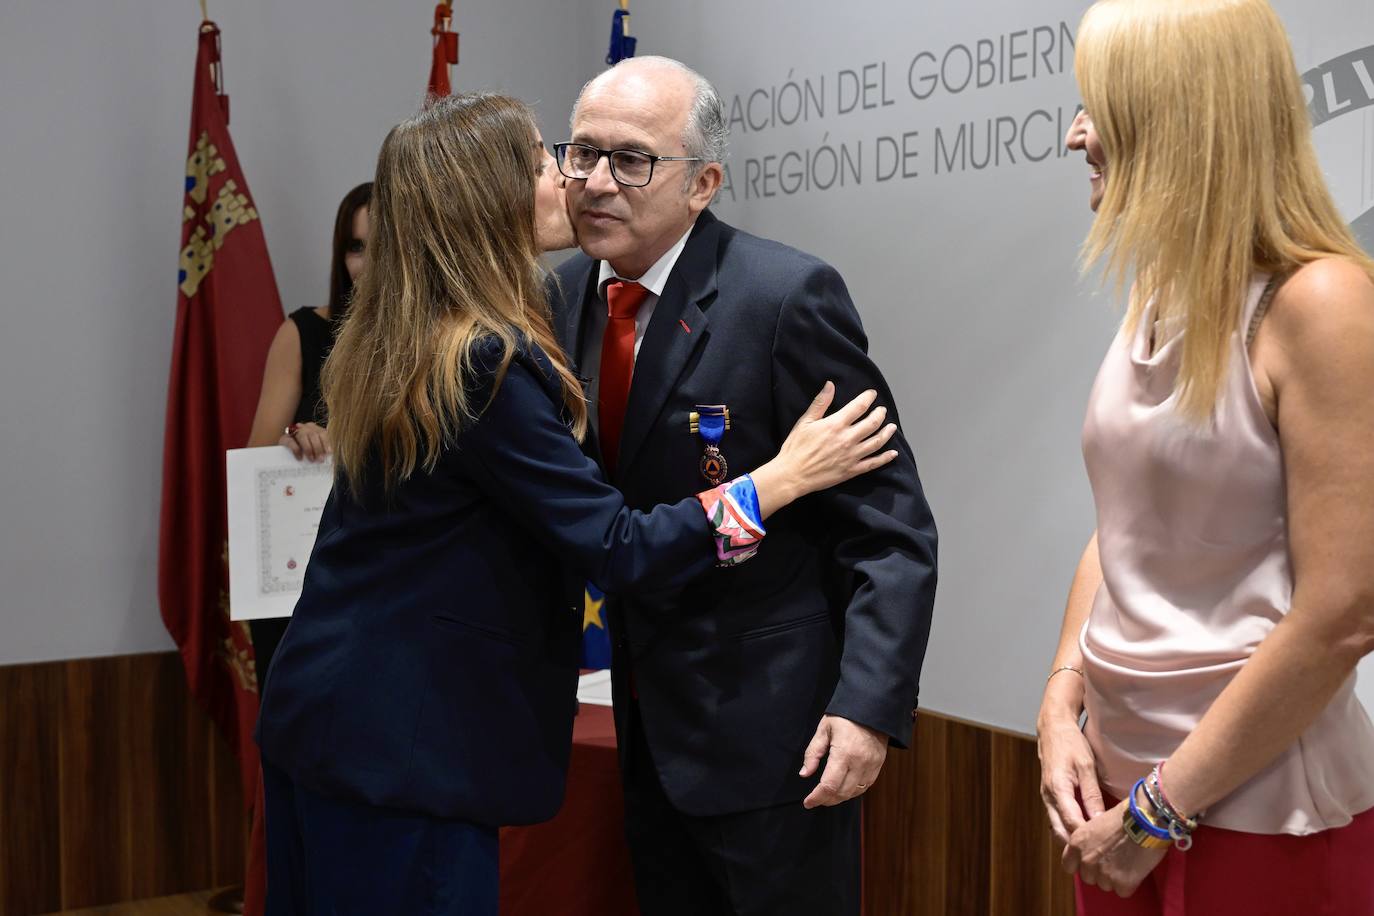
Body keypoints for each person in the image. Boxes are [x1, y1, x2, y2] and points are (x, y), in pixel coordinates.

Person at [254, 92, 898, 916]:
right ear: (489, 198)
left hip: (331, 721)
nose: (574, 178)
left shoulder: (406, 335)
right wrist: (781, 478)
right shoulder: (479, 358)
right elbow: (617, 546)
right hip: (404, 751)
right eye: (545, 161)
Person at [551, 56, 938, 916]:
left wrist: (867, 708)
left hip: (776, 737)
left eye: (632, 159)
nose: (597, 181)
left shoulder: (783, 296)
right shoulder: (560, 295)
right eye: (582, 153)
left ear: (703, 183)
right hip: (639, 725)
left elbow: (890, 528)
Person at [1037, 2, 1374, 913]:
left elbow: (1345, 613)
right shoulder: (1161, 292)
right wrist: (1060, 700)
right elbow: (1123, 531)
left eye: (1099, 106)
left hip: (1254, 818)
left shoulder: (1321, 303)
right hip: (1117, 803)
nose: (1076, 134)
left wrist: (1160, 809)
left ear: (1178, 117)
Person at [245, 180, 371, 680]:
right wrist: (290, 444)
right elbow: (255, 471)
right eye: (356, 247)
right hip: (298, 591)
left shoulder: (435, 344)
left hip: (386, 589)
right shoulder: (302, 333)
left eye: (382, 247)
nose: (367, 263)